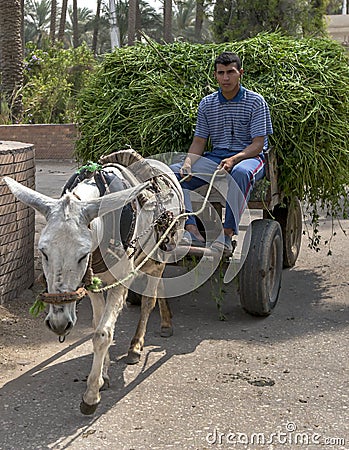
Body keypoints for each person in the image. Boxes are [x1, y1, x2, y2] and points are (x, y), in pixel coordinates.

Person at [170, 51, 273, 252]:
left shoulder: (255, 102)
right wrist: (189, 163)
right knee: (174, 173)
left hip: (249, 156)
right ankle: (191, 229)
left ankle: (227, 234)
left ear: (240, 73)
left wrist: (234, 159)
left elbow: (258, 144)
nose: (226, 78)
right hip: (216, 157)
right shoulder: (207, 104)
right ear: (215, 75)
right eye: (221, 73)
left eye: (230, 72)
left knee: (241, 173)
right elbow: (199, 141)